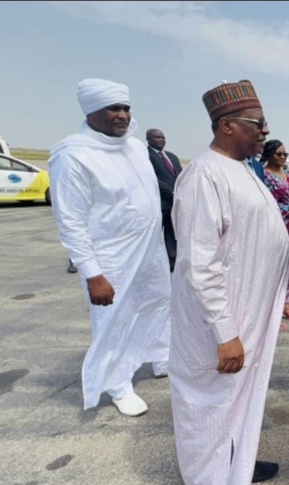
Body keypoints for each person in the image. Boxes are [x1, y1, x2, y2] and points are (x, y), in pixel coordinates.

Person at [169, 79, 289, 485]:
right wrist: (224, 332)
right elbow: (199, 262)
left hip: (246, 314)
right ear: (227, 125)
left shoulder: (240, 168)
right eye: (257, 123)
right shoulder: (204, 175)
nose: (265, 131)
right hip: (220, 324)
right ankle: (210, 477)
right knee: (211, 408)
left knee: (237, 402)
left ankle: (237, 465)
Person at [47, 78, 171, 417]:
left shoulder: (135, 147)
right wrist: (92, 273)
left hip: (150, 249)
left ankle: (160, 357)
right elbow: (70, 220)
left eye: (126, 108)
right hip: (111, 257)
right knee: (113, 319)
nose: (123, 115)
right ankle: (118, 385)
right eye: (113, 108)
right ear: (92, 112)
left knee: (158, 302)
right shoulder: (73, 156)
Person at [261, 138, 289, 322]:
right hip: (277, 228)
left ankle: (284, 304)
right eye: (279, 154)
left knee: (288, 268)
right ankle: (270, 311)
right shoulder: (264, 177)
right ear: (269, 155)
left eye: (285, 154)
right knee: (272, 269)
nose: (283, 157)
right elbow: (268, 204)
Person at [146, 128, 183, 272]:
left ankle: (173, 264)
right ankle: (151, 266)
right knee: (153, 238)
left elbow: (180, 177)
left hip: (174, 204)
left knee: (172, 235)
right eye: (157, 137)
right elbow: (152, 178)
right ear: (148, 139)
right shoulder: (145, 156)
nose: (161, 140)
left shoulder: (172, 157)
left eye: (163, 137)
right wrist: (171, 191)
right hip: (158, 204)